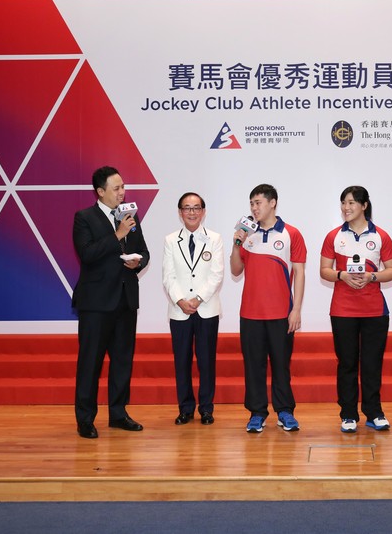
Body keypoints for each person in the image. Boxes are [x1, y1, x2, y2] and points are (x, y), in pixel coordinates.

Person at [72, 165, 149, 439]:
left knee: (122, 361)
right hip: (96, 303)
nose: (122, 192)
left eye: (123, 187)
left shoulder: (130, 216)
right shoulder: (84, 218)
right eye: (116, 188)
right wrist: (117, 235)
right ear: (100, 191)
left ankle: (118, 414)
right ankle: (85, 419)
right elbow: (87, 253)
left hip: (125, 300)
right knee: (90, 362)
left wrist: (137, 262)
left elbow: (144, 252)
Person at [320, 186, 392, 433]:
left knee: (372, 363)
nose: (346, 208)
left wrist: (372, 277)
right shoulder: (334, 236)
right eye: (343, 203)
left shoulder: (381, 236)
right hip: (343, 310)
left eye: (352, 203)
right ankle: (348, 414)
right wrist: (342, 275)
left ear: (364, 206)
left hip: (374, 310)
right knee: (347, 363)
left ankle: (374, 412)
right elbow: (324, 270)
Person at [230, 184, 306, 433]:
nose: (254, 207)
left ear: (273, 203)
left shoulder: (291, 233)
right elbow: (236, 270)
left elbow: (299, 272)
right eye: (251, 203)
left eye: (258, 202)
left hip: (281, 313)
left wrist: (296, 310)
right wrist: (236, 244)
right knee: (253, 365)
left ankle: (285, 412)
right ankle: (256, 413)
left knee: (281, 365)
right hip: (250, 313)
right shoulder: (247, 234)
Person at [162, 192, 224, 426]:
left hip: (206, 308)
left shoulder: (215, 238)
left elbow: (217, 274)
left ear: (203, 211)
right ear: (180, 212)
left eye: (196, 208)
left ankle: (206, 409)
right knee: (182, 361)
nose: (192, 212)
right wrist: (180, 300)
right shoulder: (170, 240)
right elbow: (168, 276)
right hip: (179, 311)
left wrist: (197, 299)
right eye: (187, 208)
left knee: (206, 361)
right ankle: (185, 409)